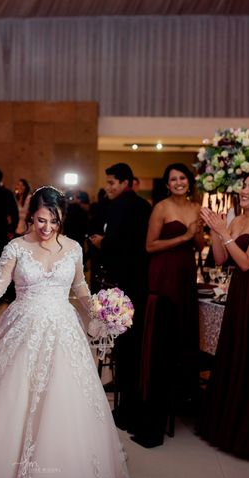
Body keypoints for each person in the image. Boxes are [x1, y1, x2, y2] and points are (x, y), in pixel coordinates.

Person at [0, 186, 130, 478]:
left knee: (63, 399)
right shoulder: (16, 247)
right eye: (41, 220)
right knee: (10, 396)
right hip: (23, 328)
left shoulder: (73, 248)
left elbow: (80, 289)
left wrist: (101, 309)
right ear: (30, 217)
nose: (47, 228)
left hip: (63, 329)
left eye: (54, 222)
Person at [198, 169, 249, 459]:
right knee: (236, 352)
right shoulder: (237, 219)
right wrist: (215, 228)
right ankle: (228, 427)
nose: (245, 191)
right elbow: (222, 259)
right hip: (238, 292)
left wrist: (223, 232)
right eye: (244, 186)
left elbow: (246, 263)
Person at [135, 163, 203, 447]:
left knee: (183, 336)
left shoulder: (197, 207)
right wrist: (183, 237)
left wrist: (198, 233)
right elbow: (149, 246)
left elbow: (199, 244)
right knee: (163, 339)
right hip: (164, 274)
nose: (178, 182)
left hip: (186, 273)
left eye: (182, 178)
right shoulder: (161, 208)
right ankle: (156, 405)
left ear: (189, 182)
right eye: (173, 178)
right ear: (167, 184)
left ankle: (182, 398)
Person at [89, 162, 151, 432]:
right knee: (133, 347)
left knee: (125, 348)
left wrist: (101, 242)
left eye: (113, 182)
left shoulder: (119, 206)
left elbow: (115, 243)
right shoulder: (144, 206)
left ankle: (125, 410)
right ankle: (132, 401)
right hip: (141, 282)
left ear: (126, 182)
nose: (109, 187)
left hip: (123, 284)